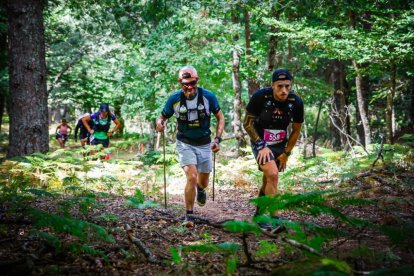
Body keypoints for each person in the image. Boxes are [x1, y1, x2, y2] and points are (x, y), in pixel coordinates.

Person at [156, 65, 225, 228]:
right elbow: (161, 118)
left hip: (205, 143)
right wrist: (159, 123)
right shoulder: (174, 99)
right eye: (185, 84)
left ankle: (201, 189)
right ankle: (189, 216)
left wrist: (217, 139)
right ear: (180, 83)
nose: (189, 87)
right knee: (191, 177)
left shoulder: (208, 97)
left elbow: (220, 118)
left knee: (203, 182)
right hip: (184, 142)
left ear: (197, 81)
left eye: (192, 83)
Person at [243, 68, 304, 232]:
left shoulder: (296, 102)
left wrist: (286, 153)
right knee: (272, 174)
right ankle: (275, 220)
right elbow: (247, 124)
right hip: (260, 140)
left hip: (280, 144)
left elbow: (296, 129)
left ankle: (259, 216)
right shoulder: (260, 97)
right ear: (272, 85)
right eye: (279, 86)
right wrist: (261, 145)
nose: (284, 91)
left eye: (287, 86)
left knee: (268, 179)